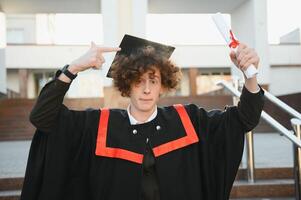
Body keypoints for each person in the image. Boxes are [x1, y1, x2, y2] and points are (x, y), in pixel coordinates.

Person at [20, 35, 264, 200]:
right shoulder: (98, 125)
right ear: (127, 85)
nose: (146, 89)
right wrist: (72, 68)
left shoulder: (187, 120)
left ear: (162, 86)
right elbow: (43, 117)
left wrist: (249, 74)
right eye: (138, 81)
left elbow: (245, 118)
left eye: (153, 81)